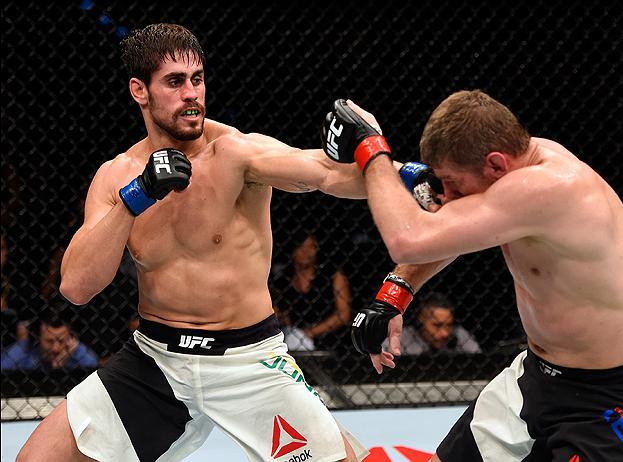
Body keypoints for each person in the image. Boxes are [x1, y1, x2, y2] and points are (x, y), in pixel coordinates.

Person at [16, 23, 370, 462]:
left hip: (248, 361)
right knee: (38, 459)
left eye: (197, 79)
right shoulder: (117, 175)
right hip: (155, 360)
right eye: (174, 82)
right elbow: (76, 286)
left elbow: (326, 173)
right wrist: (135, 198)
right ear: (139, 91)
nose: (191, 94)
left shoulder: (236, 153)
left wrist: (383, 158)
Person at [321, 92, 623, 461]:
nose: (450, 196)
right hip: (536, 377)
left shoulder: (547, 186)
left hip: (611, 397)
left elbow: (409, 240)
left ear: (496, 165)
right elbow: (455, 228)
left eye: (454, 182)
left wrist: (371, 149)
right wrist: (395, 293)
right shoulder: (521, 170)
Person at [272, 232, 353, 352]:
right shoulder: (283, 280)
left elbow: (343, 314)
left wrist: (310, 332)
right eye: (302, 247)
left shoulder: (332, 275)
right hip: (292, 339)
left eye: (311, 247)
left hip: (330, 341)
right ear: (293, 251)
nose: (307, 252)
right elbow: (279, 312)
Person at [387, 292, 481, 355]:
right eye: (437, 325)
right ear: (419, 323)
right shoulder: (399, 339)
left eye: (449, 325)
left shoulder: (460, 335)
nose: (445, 333)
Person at [1, 311, 98, 371]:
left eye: (61, 341)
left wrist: (60, 371)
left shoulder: (78, 353)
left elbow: (94, 367)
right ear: (38, 337)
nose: (55, 348)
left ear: (70, 338)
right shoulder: (24, 351)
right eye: (49, 341)